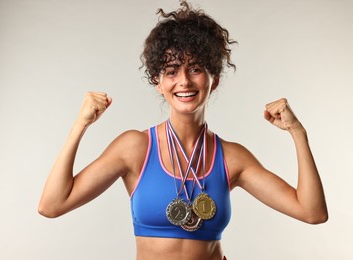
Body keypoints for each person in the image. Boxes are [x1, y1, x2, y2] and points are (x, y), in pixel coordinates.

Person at [38, 1, 328, 259]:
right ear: (158, 80)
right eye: (172, 70)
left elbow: (311, 212)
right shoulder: (135, 148)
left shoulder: (232, 158)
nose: (184, 82)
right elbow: (52, 205)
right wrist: (80, 125)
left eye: (196, 68)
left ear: (213, 77)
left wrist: (298, 133)